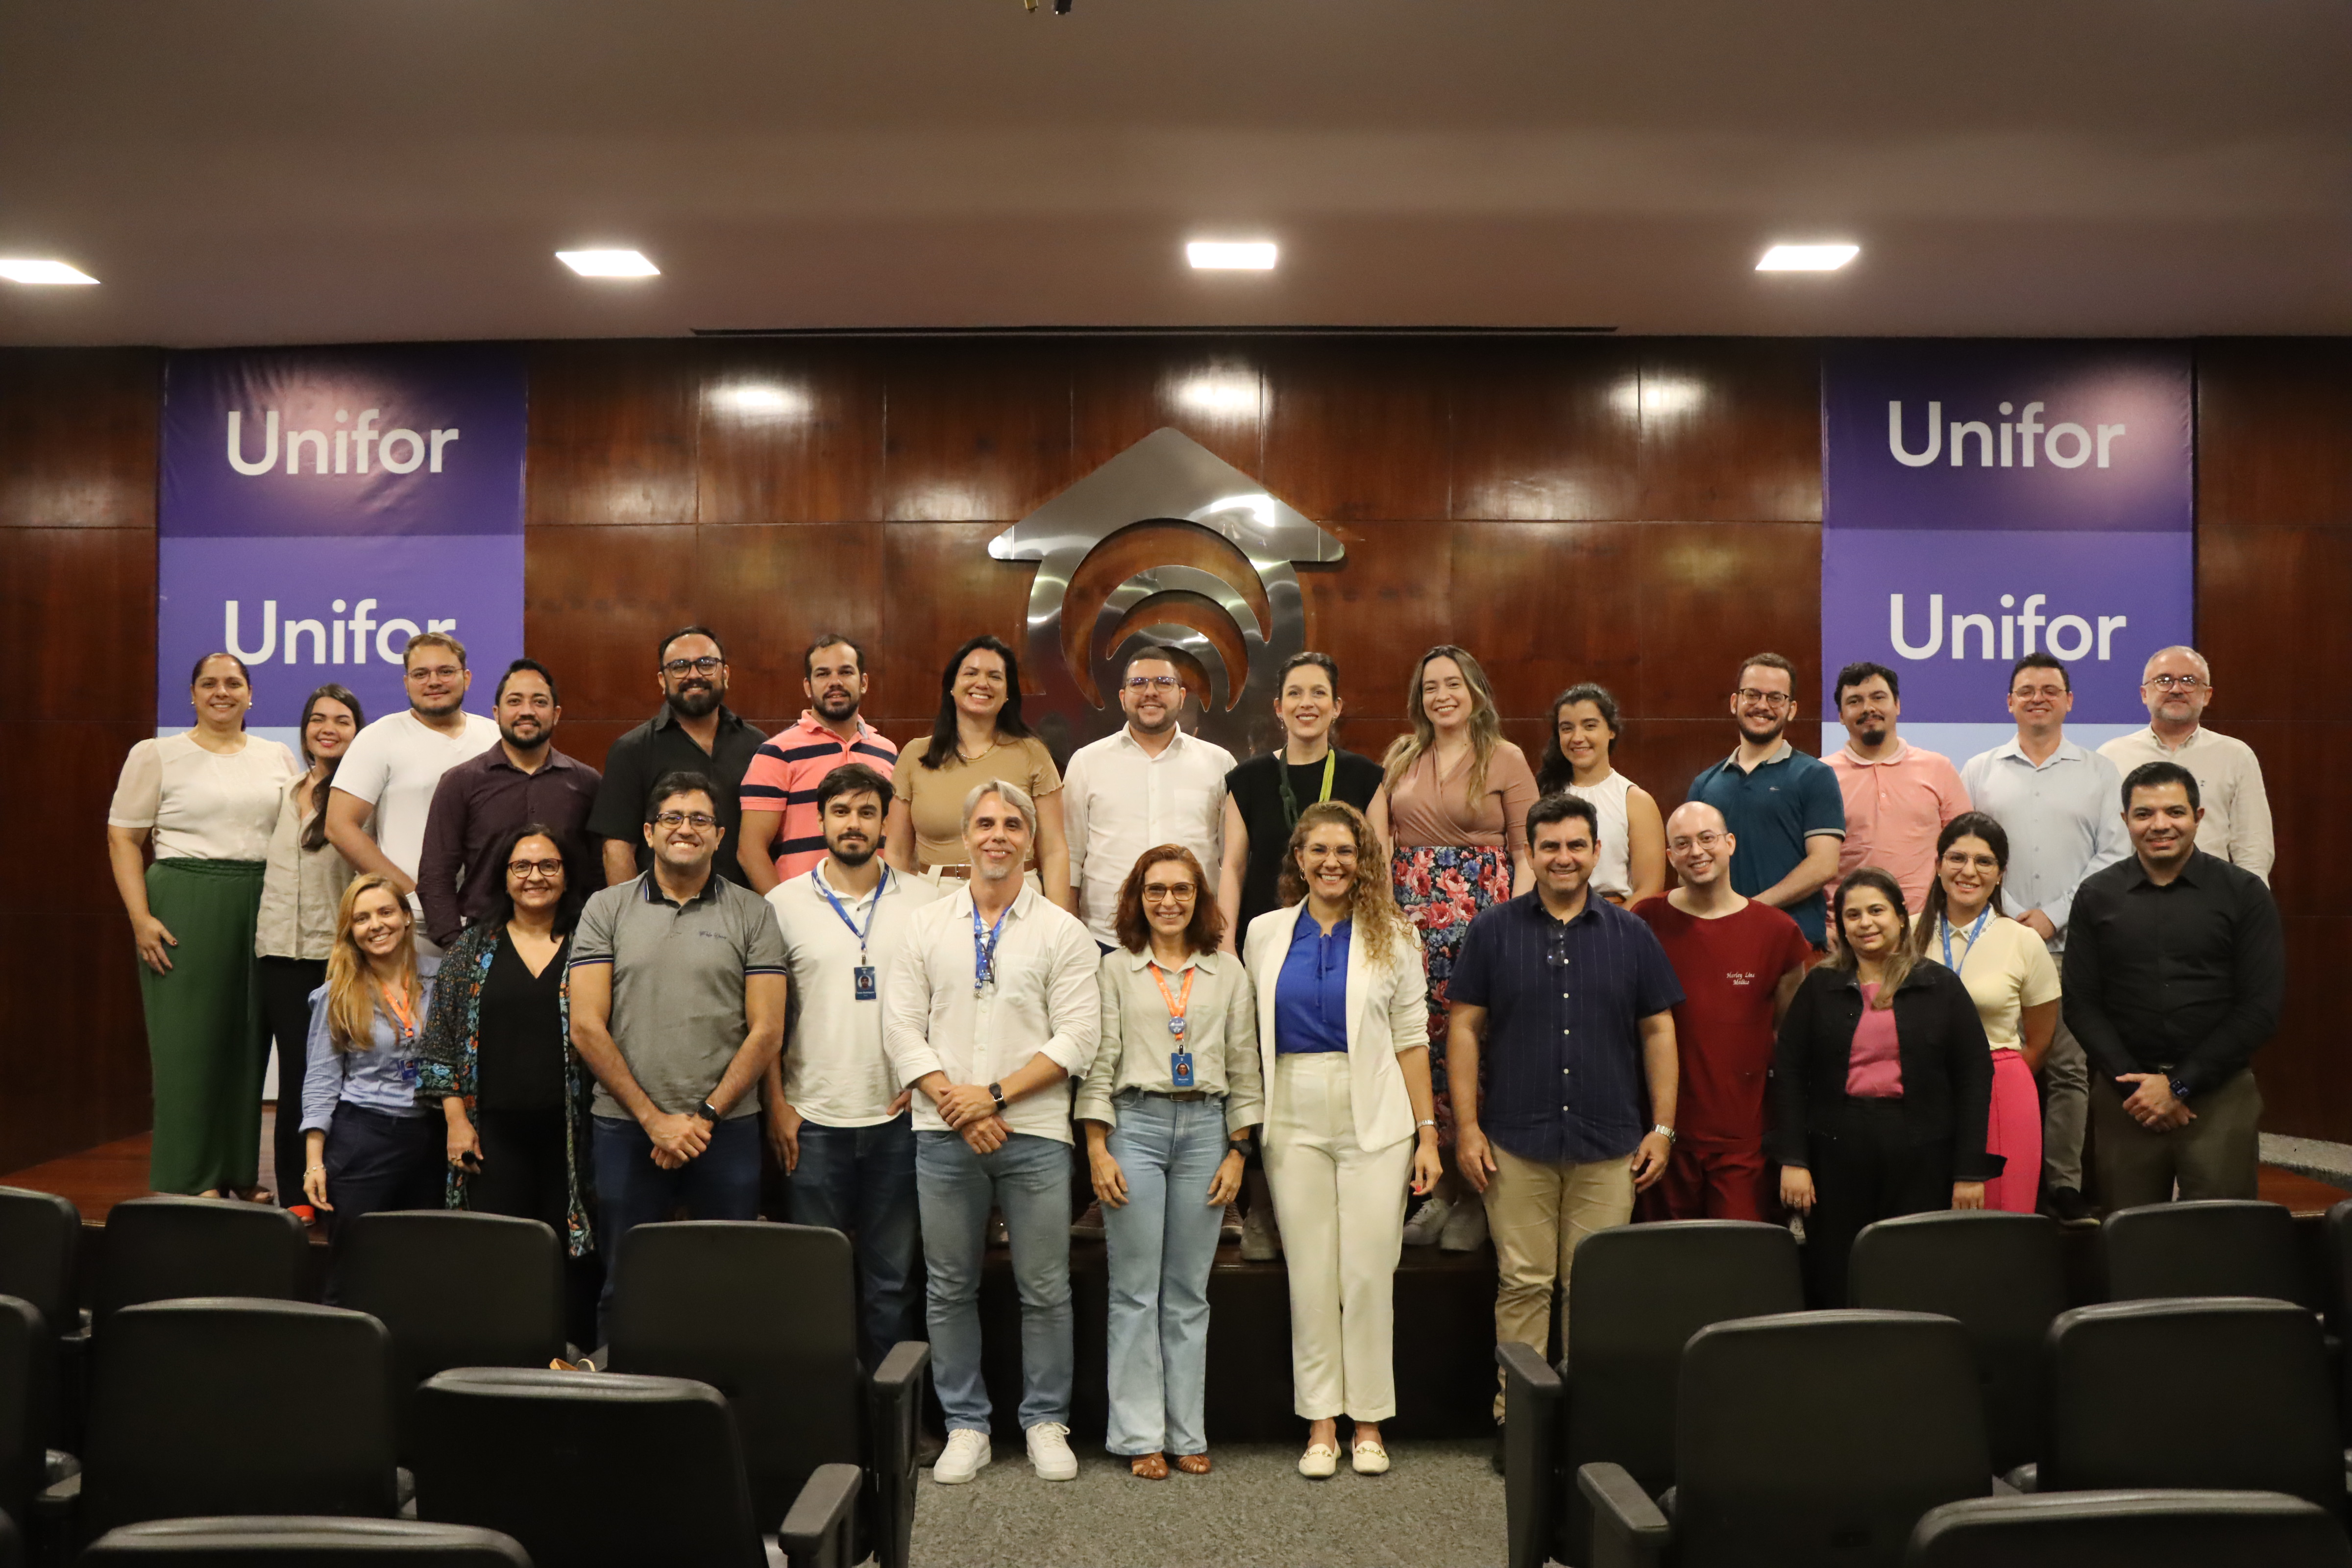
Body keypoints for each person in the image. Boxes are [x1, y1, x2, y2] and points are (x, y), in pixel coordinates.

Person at [883, 780, 1100, 1485]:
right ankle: (966, 1426)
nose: (998, 835)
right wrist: (956, 1102)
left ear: (1031, 841)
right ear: (966, 836)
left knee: (1045, 1287)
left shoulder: (1061, 930)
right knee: (948, 1287)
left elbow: (1079, 1037)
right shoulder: (924, 925)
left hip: (1034, 1130)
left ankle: (1044, 1421)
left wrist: (994, 1097)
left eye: (1013, 824)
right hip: (944, 1131)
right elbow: (900, 1028)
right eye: (985, 823)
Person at [1449, 794, 1682, 1433]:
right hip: (1515, 1140)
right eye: (1550, 846)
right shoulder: (1493, 930)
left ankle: (1587, 1428)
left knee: (1594, 1291)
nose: (1563, 857)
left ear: (1596, 853)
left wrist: (1662, 1128)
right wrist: (1466, 1128)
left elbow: (1659, 1032)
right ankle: (1519, 1424)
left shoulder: (1631, 933)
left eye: (1576, 846)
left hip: (1609, 1141)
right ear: (1532, 852)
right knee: (1523, 1285)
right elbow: (1464, 1029)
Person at [1242, 801, 1440, 1480]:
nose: (1332, 862)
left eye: (1345, 852)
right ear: (1299, 859)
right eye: (1319, 850)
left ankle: (1369, 1422)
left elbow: (1414, 1042)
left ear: (1364, 862)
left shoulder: (1395, 933)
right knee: (1311, 1274)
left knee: (1366, 1272)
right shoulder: (1264, 934)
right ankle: (1321, 1421)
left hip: (1377, 1115)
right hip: (1291, 1110)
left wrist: (1429, 1136)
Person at [569, 771, 789, 1334]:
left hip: (728, 1128)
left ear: (719, 836)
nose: (685, 829)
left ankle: (720, 1408)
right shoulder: (605, 908)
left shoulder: (754, 912)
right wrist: (655, 1119)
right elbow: (587, 1027)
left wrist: (703, 1117)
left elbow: (766, 1030)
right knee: (626, 1280)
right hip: (625, 1128)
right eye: (672, 817)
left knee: (726, 1281)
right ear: (648, 831)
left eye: (699, 819)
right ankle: (620, 1407)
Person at [1077, 846, 1261, 1480]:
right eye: (1156, 890)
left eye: (1182, 890)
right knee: (1134, 1290)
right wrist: (1098, 1148)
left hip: (1208, 1133)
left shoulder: (1227, 973)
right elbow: (1098, 1065)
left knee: (1187, 1293)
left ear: (1199, 898)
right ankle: (1137, 1436)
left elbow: (1245, 1069)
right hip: (1137, 1128)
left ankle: (1187, 1432)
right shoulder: (1117, 972)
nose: (1169, 901)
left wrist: (1239, 1153)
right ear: (1137, 898)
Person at [761, 763, 943, 1372]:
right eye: (841, 811)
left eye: (868, 811)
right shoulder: (781, 905)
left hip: (899, 1117)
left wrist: (928, 1084)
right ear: (820, 819)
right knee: (818, 1283)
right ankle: (827, 1420)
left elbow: (945, 1006)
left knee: (892, 1284)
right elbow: (764, 1021)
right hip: (811, 1118)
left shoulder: (925, 900)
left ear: (886, 820)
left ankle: (891, 1421)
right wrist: (778, 1105)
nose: (854, 823)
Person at [107, 652, 301, 1197]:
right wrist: (141, 917)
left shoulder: (277, 755)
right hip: (185, 898)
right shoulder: (157, 754)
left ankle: (237, 1172)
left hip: (263, 900)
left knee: (247, 1041)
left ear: (251, 694)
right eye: (210, 683)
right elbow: (124, 836)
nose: (223, 692)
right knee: (188, 1045)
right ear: (192, 694)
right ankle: (190, 1176)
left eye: (234, 683)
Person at [1215, 650, 1384, 1261]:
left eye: (1320, 692)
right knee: (1259, 1068)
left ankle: (1343, 1199)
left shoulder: (1366, 774)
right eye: (1295, 692)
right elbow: (1232, 866)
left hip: (1345, 939)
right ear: (1279, 706)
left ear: (1337, 707)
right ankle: (1261, 1206)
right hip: (1267, 943)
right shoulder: (1247, 777)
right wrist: (1229, 944)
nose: (1307, 703)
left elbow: (1379, 864)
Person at [2063, 761, 2284, 1207]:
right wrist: (2140, 1091)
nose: (2160, 825)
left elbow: (2261, 1006)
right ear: (2125, 821)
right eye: (2144, 814)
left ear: (2199, 818)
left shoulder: (2244, 894)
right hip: (2127, 1097)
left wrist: (2179, 1085)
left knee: (2223, 1237)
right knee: (2129, 1240)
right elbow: (2082, 1004)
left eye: (2175, 812)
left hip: (2218, 1092)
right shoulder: (2095, 895)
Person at [1958, 654, 2129, 1227]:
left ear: (2070, 701)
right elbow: (1965, 850)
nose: (2038, 697)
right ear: (2009, 702)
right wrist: (2003, 916)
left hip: (2071, 945)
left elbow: (2113, 855)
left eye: (2050, 689)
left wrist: (2053, 916)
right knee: (1998, 1062)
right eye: (2025, 689)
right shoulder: (1979, 769)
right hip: (1995, 942)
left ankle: (2061, 1183)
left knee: (2069, 1069)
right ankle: (2002, 1174)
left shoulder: (2100, 771)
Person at [1774, 870, 1996, 1308]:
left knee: (1913, 1269)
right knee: (1837, 1271)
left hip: (1923, 1152)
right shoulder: (1819, 986)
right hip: (1835, 1151)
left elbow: (1975, 1076)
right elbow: (1790, 1073)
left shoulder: (1940, 985)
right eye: (1852, 914)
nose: (1865, 923)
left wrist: (1970, 1171)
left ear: (1900, 918)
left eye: (1876, 911)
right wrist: (1793, 1160)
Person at [1378, 644, 1537, 1252]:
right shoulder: (1401, 757)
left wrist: (1514, 925)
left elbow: (1526, 852)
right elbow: (1382, 844)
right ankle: (1436, 1188)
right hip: (1410, 927)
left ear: (1474, 689)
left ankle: (1479, 1193)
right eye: (1430, 686)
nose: (1441, 695)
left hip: (1484, 923)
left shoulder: (1506, 757)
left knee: (1480, 1045)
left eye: (1452, 683)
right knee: (1423, 1046)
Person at [417, 825, 596, 1260]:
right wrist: (457, 1123)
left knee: (567, 1258)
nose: (535, 876)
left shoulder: (591, 944)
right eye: (522, 866)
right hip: (492, 1133)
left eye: (549, 865)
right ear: (503, 877)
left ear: (568, 875)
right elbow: (439, 1041)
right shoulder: (472, 948)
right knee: (500, 1253)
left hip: (573, 1133)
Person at [1632, 801, 1812, 1222]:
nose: (1697, 851)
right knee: (1668, 1265)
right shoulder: (1646, 921)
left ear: (1730, 844)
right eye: (1683, 843)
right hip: (1663, 1139)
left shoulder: (1777, 932)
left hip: (1743, 1143)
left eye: (1707, 839)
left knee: (1739, 1268)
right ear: (1670, 857)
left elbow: (1790, 1038)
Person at [1910, 813, 2060, 1216]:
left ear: (2001, 873)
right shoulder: (1904, 936)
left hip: (2000, 1092)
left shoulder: (2023, 941)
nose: (1968, 872)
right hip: (1916, 1092)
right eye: (1957, 858)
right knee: (1922, 1221)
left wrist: (1997, 1079)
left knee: (1999, 1220)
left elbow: (2041, 1040)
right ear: (1938, 864)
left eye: (1984, 862)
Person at [300, 874, 443, 1293]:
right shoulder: (337, 994)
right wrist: (314, 1161)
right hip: (364, 1137)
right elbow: (321, 1080)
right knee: (353, 1273)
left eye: (385, 912)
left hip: (432, 1137)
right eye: (362, 918)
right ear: (351, 931)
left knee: (421, 1269)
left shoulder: (444, 978)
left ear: (405, 917)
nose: (376, 925)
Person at [257, 683, 363, 1222]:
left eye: (342, 720)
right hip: (277, 953)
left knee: (335, 1073)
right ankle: (294, 1195)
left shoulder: (363, 798)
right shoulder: (285, 790)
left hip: (334, 954)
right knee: (295, 1071)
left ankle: (336, 1182)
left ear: (357, 731)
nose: (328, 728)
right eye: (318, 718)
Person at [324, 631, 501, 955]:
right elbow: (339, 826)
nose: (434, 681)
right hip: (411, 925)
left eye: (446, 671)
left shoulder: (496, 736)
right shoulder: (378, 738)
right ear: (407, 682)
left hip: (494, 918)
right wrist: (412, 895)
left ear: (467, 677)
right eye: (421, 674)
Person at [416, 659, 601, 949]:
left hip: (571, 945)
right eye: (515, 701)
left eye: (539, 702)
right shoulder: (460, 783)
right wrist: (456, 947)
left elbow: (598, 876)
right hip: (482, 944)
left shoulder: (587, 784)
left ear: (556, 714)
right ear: (496, 713)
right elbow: (435, 876)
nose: (526, 711)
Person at [1064, 646, 1238, 953]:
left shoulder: (1219, 763)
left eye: (1163, 682)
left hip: (1194, 938)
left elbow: (1232, 861)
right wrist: (1068, 938)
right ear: (1122, 697)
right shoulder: (1086, 763)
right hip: (1105, 939)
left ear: (1182, 696)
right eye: (1138, 683)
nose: (1151, 692)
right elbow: (1070, 860)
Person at [885, 634, 1073, 907]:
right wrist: (895, 915)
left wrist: (1059, 920)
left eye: (995, 677)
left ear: (1008, 692)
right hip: (935, 897)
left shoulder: (1033, 753)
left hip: (1016, 894)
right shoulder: (916, 755)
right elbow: (898, 851)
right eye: (971, 673)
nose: (982, 683)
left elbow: (1054, 849)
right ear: (952, 685)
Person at [586, 626, 767, 890]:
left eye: (706, 664)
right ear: (663, 679)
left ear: (725, 674)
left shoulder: (759, 747)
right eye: (680, 666)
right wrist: (633, 922)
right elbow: (617, 850)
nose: (694, 675)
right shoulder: (632, 750)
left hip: (742, 918)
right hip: (660, 917)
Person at [1687, 652, 1846, 950]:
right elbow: (1689, 869)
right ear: (1735, 702)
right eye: (1752, 695)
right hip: (1718, 943)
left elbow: (1824, 864)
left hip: (1793, 945)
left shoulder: (1815, 776)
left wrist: (1751, 910)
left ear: (1792, 709)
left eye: (1776, 697)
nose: (1762, 705)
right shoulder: (1705, 784)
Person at [738, 634, 901, 892]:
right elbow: (751, 850)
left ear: (864, 682)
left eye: (846, 672)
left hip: (877, 906)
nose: (835, 682)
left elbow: (898, 842)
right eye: (823, 674)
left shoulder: (887, 752)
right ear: (807, 686)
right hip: (804, 913)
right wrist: (784, 912)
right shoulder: (777, 752)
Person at [2099, 646, 2274, 883]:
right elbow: (2098, 844)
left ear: (2207, 695)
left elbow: (2253, 847)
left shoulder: (2236, 756)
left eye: (2189, 681)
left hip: (2214, 897)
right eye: (2164, 680)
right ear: (2144, 693)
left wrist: (2251, 904)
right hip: (2130, 897)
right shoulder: (2111, 756)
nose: (2176, 689)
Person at [1823, 662, 1970, 909]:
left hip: (1925, 927)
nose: (1868, 708)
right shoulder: (1820, 776)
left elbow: (1966, 849)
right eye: (1855, 701)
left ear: (1897, 705)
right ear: (1840, 715)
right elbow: (1809, 863)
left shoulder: (1938, 768)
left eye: (1878, 698)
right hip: (1848, 929)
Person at [1533, 683, 1666, 906]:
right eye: (1567, 728)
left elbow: (1649, 888)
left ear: (1611, 730)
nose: (1578, 737)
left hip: (1616, 920)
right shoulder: (1542, 794)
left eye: (1590, 726)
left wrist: (1613, 928)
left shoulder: (1635, 801)